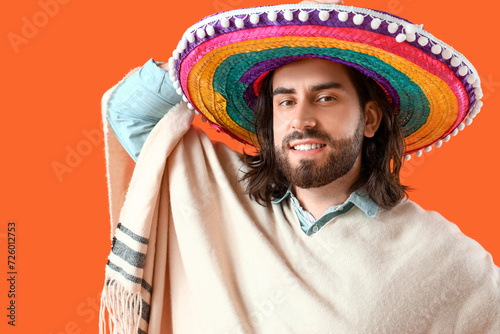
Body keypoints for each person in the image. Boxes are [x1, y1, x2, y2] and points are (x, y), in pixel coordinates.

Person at [100, 1, 500, 333]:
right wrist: (215, 51)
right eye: (286, 101)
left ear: (371, 120)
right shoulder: (217, 194)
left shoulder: (440, 257)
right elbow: (128, 114)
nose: (301, 120)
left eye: (325, 98)